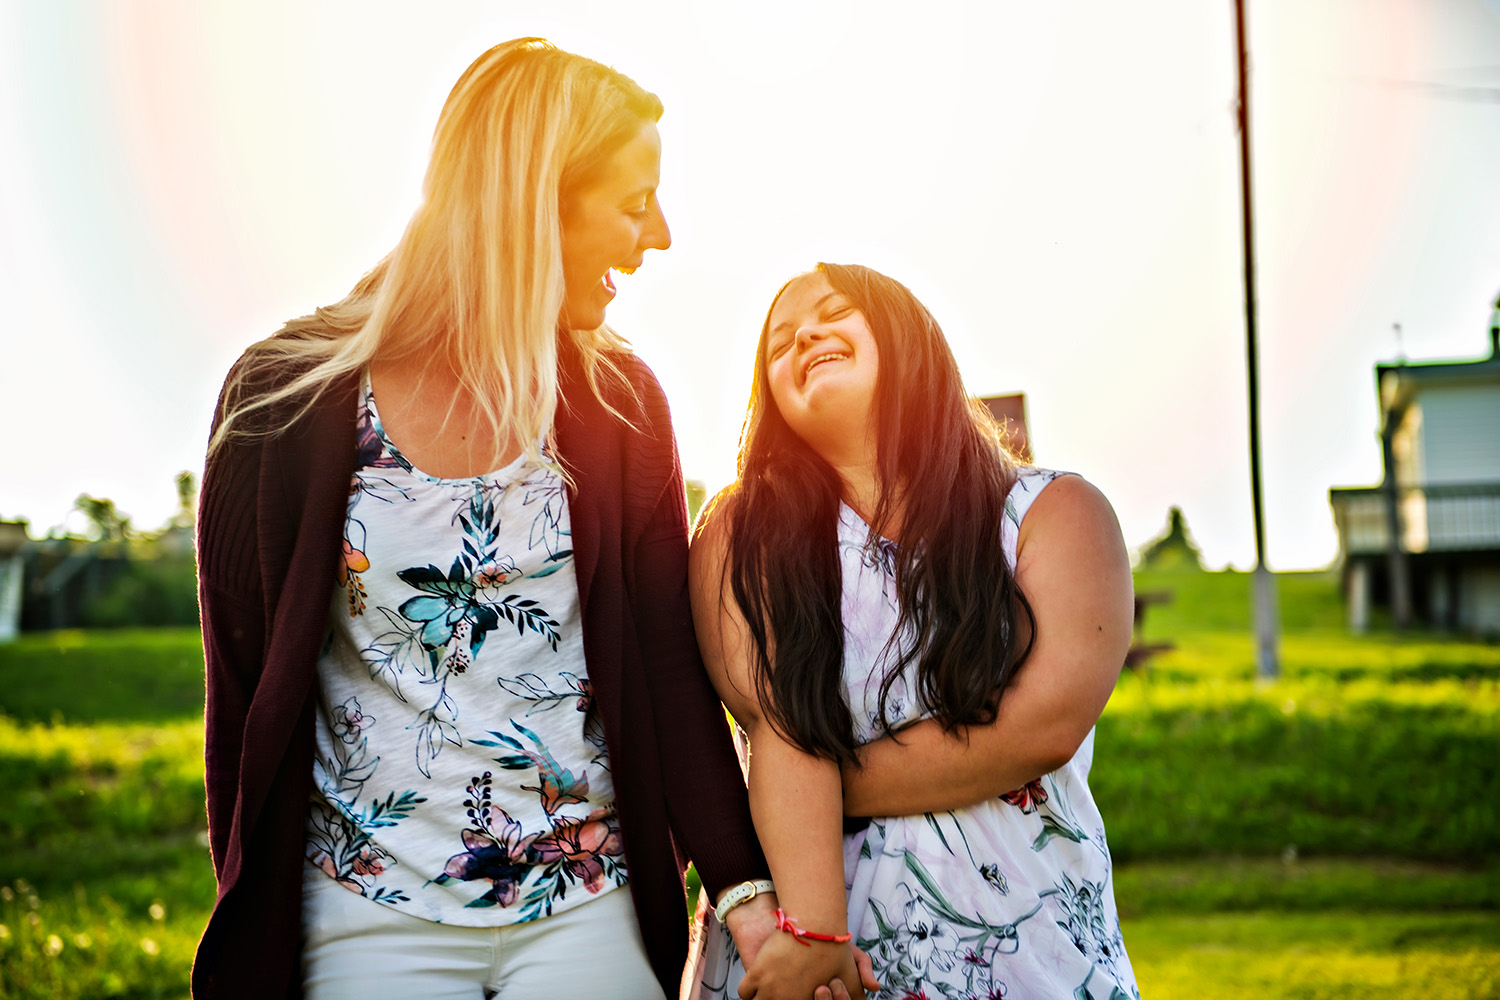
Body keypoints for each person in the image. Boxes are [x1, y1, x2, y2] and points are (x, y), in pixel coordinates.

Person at [193, 39, 783, 1000]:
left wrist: (746, 894)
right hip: (362, 917)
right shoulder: (282, 398)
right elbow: (245, 693)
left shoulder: (620, 400)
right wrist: (252, 918)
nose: (661, 235)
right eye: (634, 205)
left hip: (588, 909)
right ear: (533, 200)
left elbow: (671, 666)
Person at [685, 263, 1141, 1000]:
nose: (805, 335)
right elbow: (776, 720)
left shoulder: (1055, 513)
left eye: (834, 312)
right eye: (780, 341)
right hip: (812, 969)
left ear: (905, 334)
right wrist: (815, 937)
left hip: (1034, 963)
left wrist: (810, 789)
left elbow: (1043, 727)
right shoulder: (738, 535)